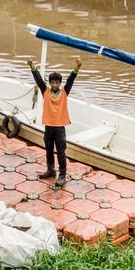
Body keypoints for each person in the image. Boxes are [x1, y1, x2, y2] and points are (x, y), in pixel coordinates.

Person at [28, 56, 81, 189]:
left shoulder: (64, 92)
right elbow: (39, 80)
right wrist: (32, 66)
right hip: (48, 126)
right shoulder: (45, 91)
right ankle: (50, 170)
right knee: (49, 149)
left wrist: (77, 67)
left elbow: (70, 80)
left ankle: (62, 175)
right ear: (50, 83)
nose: (55, 84)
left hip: (59, 128)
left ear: (59, 83)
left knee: (61, 151)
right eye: (53, 82)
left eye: (57, 82)